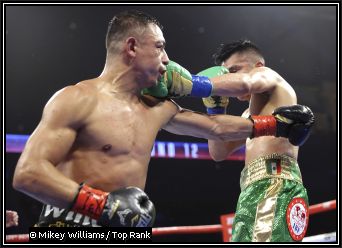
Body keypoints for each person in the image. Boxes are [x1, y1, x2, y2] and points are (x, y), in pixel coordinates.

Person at [12, 10, 312, 228]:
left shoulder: (157, 107)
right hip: (69, 226)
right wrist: (101, 205)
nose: (167, 59)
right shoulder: (77, 99)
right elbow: (27, 174)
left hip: (129, 227)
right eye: (159, 47)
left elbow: (217, 129)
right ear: (131, 47)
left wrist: (275, 125)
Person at [202, 40, 313, 242]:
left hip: (277, 184)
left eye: (234, 70)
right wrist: (215, 107)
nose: (228, 78)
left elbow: (246, 83)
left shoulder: (271, 76)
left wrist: (197, 85)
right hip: (250, 191)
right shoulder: (247, 117)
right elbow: (218, 152)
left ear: (258, 66)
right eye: (225, 74)